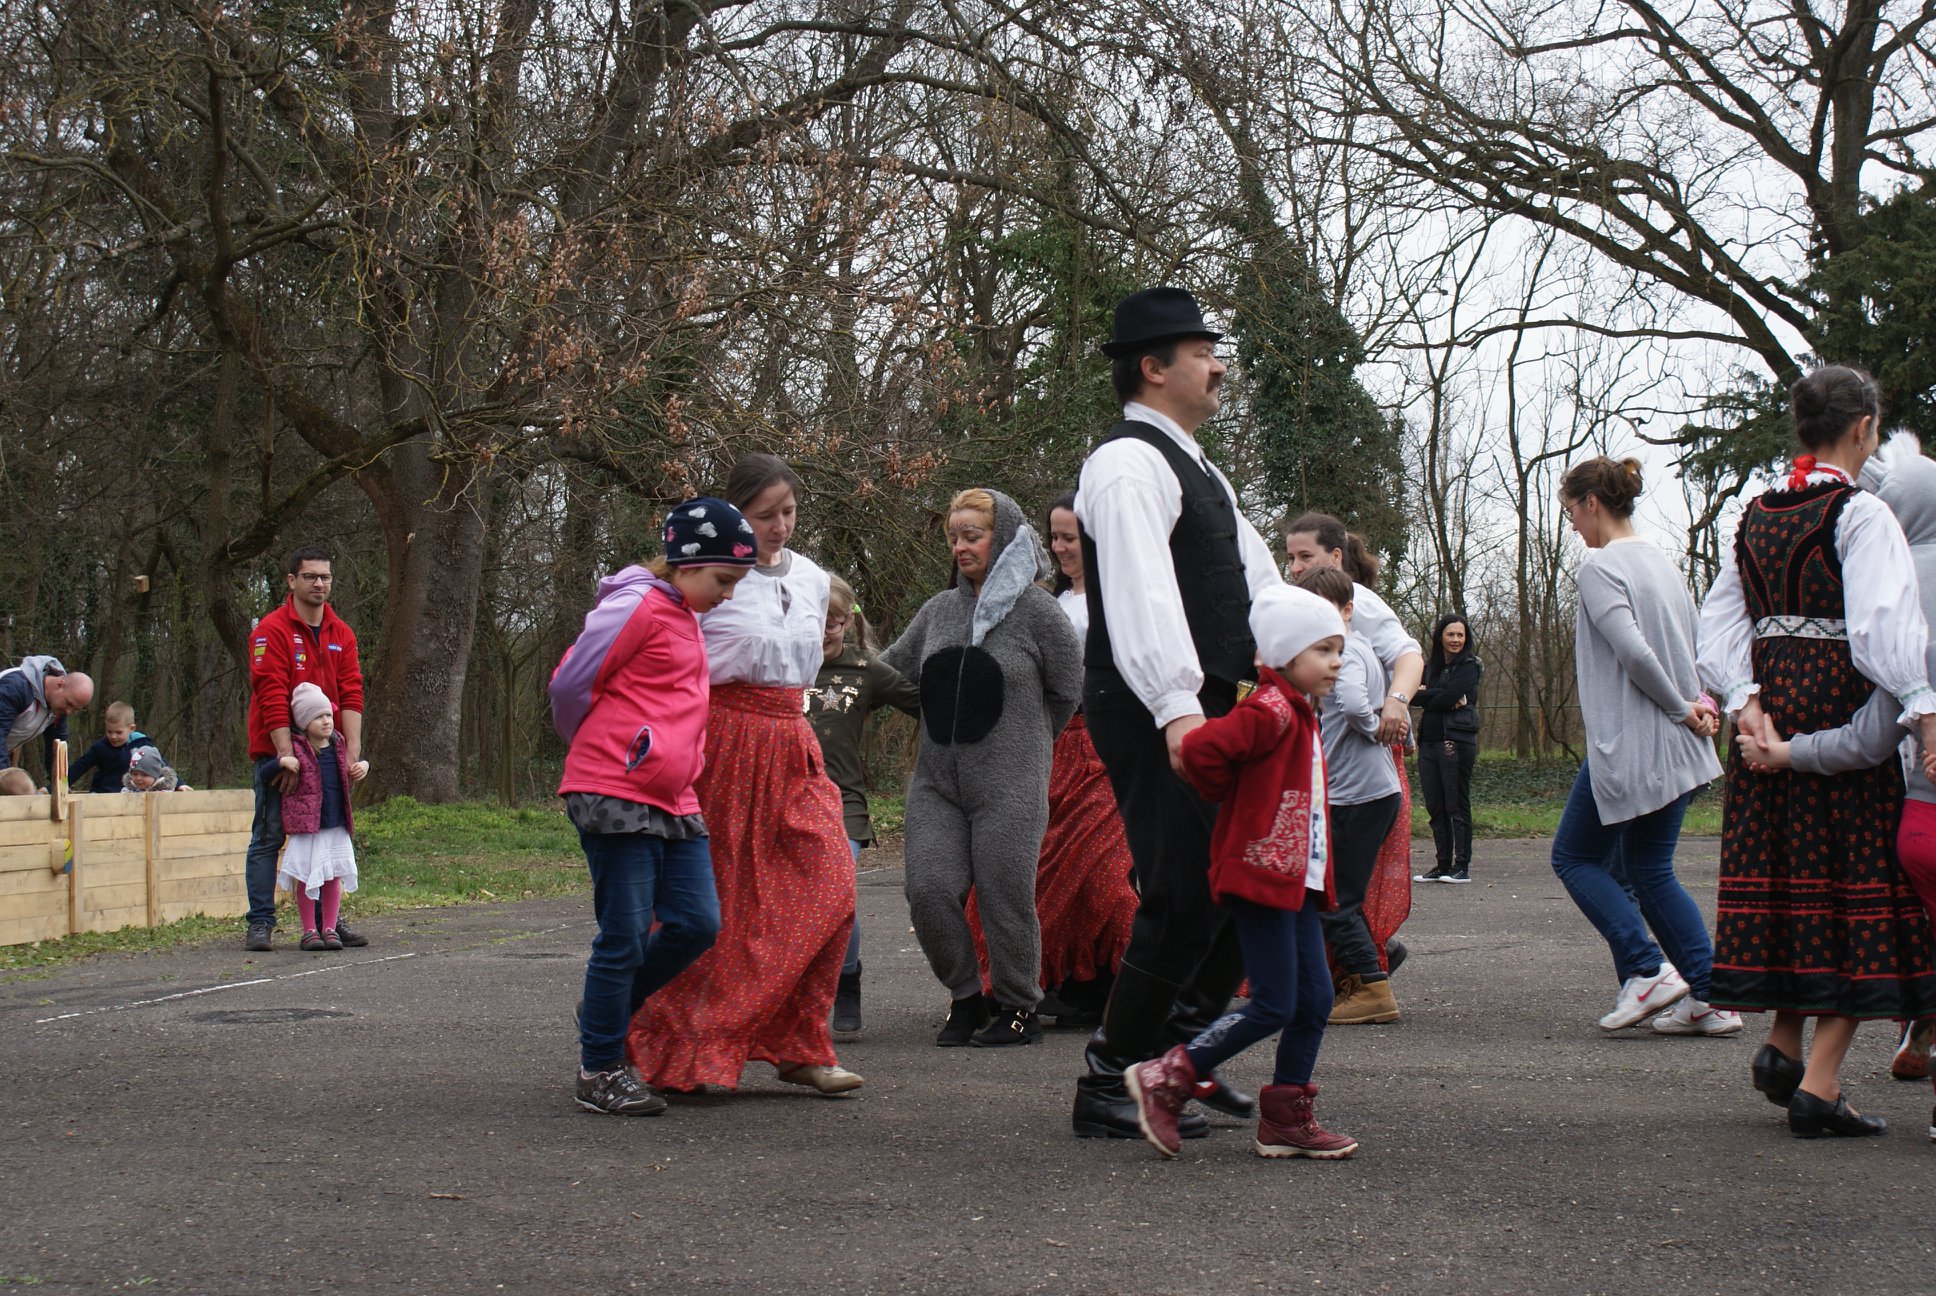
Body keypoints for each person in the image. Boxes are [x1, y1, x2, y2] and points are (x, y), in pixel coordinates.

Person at [1699, 365, 1936, 1138]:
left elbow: (1720, 621)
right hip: (1837, 706)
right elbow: (1881, 629)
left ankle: (1781, 1045)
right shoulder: (1862, 513)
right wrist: (1922, 703)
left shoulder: (1756, 512)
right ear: (1864, 427)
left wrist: (1747, 701)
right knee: (1857, 897)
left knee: (1792, 882)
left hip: (1769, 716)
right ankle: (1821, 1085)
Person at [1070, 286, 1280, 1141]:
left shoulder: (1199, 466)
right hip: (1154, 705)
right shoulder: (1127, 464)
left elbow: (1259, 584)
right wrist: (1174, 708)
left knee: (1241, 883)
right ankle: (1109, 1080)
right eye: (1202, 355)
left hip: (1206, 704)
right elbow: (1142, 596)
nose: (1218, 367)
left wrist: (1310, 658)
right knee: (1186, 892)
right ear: (1154, 369)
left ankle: (1178, 1062)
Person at [629, 455, 863, 1096]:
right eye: (765, 516)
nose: (779, 526)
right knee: (723, 905)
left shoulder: (813, 579)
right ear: (736, 515)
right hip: (721, 742)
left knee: (831, 885)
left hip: (793, 741)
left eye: (788, 512)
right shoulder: (706, 579)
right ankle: (683, 1043)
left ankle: (800, 1042)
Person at [1124, 584, 1357, 1160]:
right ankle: (1169, 1075)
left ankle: (1284, 1119)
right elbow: (1200, 751)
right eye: (1323, 650)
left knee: (1314, 999)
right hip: (1261, 877)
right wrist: (1234, 801)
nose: (1335, 662)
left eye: (1338, 650)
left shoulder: (1298, 711)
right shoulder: (1270, 709)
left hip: (1295, 880)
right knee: (1276, 1002)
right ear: (1285, 655)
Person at [550, 497, 753, 1116]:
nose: (727, 594)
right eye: (723, 579)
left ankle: (604, 1011)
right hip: (615, 790)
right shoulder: (635, 605)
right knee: (625, 934)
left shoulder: (685, 613)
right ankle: (599, 1068)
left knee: (698, 923)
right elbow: (569, 684)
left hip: (674, 799)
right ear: (687, 563)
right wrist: (606, 750)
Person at [882, 488, 1082, 1045]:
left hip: (1011, 782)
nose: (960, 546)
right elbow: (889, 675)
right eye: (954, 536)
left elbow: (1068, 690)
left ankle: (1019, 1007)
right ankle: (967, 998)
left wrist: (1028, 745)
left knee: (1004, 893)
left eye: (972, 535)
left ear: (1005, 538)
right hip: (937, 784)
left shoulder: (1038, 612)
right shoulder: (937, 612)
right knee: (928, 889)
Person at [1551, 456, 1736, 1038]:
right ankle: (1709, 998)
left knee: (1574, 858)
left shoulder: (1601, 568)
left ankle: (1645, 968)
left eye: (1571, 511)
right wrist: (1702, 703)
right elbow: (1694, 645)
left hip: (1633, 744)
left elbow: (1633, 652)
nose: (1572, 524)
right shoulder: (1663, 562)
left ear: (1592, 503)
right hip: (1680, 745)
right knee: (1649, 868)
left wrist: (1682, 707)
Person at [988, 491, 1140, 1028]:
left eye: (1070, 537)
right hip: (1053, 746)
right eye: (1053, 537)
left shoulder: (1125, 598)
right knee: (1045, 870)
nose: (1059, 547)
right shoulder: (1049, 599)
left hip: (1110, 747)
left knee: (1102, 877)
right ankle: (1074, 985)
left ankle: (1136, 988)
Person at [805, 573, 920, 1040]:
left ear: (848, 622)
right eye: (816, 620)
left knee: (840, 897)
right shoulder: (782, 665)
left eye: (833, 621)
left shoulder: (866, 670)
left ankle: (847, 979)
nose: (824, 630)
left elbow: (925, 704)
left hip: (843, 803)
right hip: (786, 802)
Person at [242, 545, 367, 953]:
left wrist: (350, 754)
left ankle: (327, 922)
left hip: (326, 755)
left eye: (325, 576)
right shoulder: (271, 630)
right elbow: (271, 693)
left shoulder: (341, 633)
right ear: (292, 580)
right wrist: (285, 755)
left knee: (326, 837)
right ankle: (261, 922)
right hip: (280, 754)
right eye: (310, 576)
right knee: (270, 834)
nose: (319, 583)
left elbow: (352, 693)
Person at [1295, 566, 1404, 1025]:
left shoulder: (1348, 652)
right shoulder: (1354, 648)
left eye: (1325, 610)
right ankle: (1379, 957)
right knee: (1336, 891)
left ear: (1347, 611)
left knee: (1333, 896)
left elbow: (1357, 704)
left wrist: (1376, 727)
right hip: (1359, 791)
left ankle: (1372, 986)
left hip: (1360, 795)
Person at [276, 682, 366, 952]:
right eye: (318, 717)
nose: (326, 721)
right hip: (308, 827)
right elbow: (269, 771)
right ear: (304, 723)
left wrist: (363, 766)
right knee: (306, 877)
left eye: (328, 714)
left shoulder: (339, 746)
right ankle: (309, 931)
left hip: (335, 823)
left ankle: (329, 928)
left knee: (333, 876)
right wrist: (281, 762)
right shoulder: (297, 749)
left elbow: (348, 773)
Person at [1412, 615, 1482, 882]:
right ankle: (1442, 865)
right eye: (1450, 634)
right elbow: (1414, 696)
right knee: (1436, 806)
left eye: (1460, 635)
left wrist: (1430, 695)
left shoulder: (1470, 666)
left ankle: (1461, 866)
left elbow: (1445, 698)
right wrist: (1437, 694)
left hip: (1456, 741)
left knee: (1456, 804)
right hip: (1428, 742)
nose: (1455, 640)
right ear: (1440, 636)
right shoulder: (1430, 667)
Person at [0, 656, 94, 775]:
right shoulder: (16, 687)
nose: (68, 711)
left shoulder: (58, 707)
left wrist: (60, 781)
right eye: (69, 704)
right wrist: (6, 776)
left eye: (74, 709)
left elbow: (57, 748)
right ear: (60, 684)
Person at [67, 701, 157, 794]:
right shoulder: (100, 747)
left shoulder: (142, 744)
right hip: (102, 794)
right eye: (109, 731)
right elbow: (79, 767)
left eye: (118, 732)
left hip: (131, 794)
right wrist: (61, 784)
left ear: (131, 729)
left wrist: (166, 785)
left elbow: (159, 765)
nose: (113, 736)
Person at [121, 745, 188, 792]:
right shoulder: (128, 791)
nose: (138, 778)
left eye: (144, 775)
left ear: (155, 774)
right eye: (135, 774)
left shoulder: (165, 790)